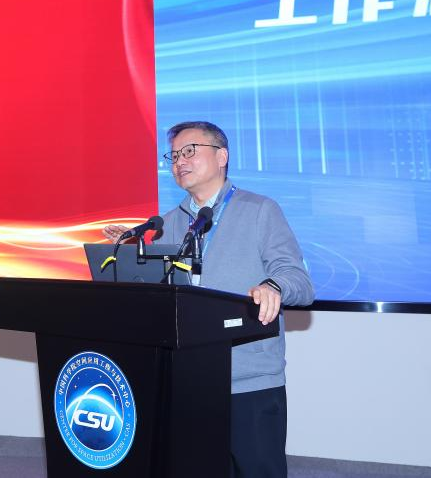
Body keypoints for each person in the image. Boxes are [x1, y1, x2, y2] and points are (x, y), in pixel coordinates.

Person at [103, 120, 313, 478]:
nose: (179, 162)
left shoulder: (259, 210)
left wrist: (273, 286)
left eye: (190, 151)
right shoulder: (166, 223)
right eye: (173, 156)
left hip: (247, 379)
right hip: (188, 378)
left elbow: (299, 280)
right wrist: (133, 256)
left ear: (222, 156)